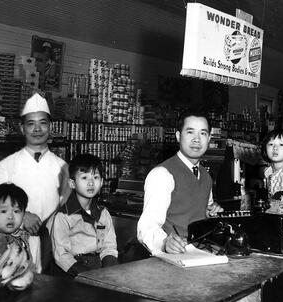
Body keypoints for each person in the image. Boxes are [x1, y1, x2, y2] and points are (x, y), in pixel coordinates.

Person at [0, 92, 70, 272]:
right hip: (11, 252)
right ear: (22, 129)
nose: (37, 129)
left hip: (52, 254)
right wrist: (21, 218)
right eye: (31, 124)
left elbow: (69, 211)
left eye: (42, 123)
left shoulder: (63, 168)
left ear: (50, 127)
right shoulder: (6, 166)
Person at [137, 110, 223, 254]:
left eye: (203, 133)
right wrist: (164, 243)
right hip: (173, 260)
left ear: (209, 139)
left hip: (202, 255)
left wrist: (211, 212)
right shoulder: (162, 174)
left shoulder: (206, 176)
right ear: (178, 136)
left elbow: (200, 212)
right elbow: (146, 227)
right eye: (190, 132)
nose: (197, 139)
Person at [49, 153, 118, 277]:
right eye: (84, 178)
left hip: (99, 268)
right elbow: (61, 255)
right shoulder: (63, 216)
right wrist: (86, 276)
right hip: (73, 271)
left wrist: (108, 271)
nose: (91, 183)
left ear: (102, 182)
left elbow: (109, 246)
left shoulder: (103, 214)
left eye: (96, 177)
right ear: (72, 183)